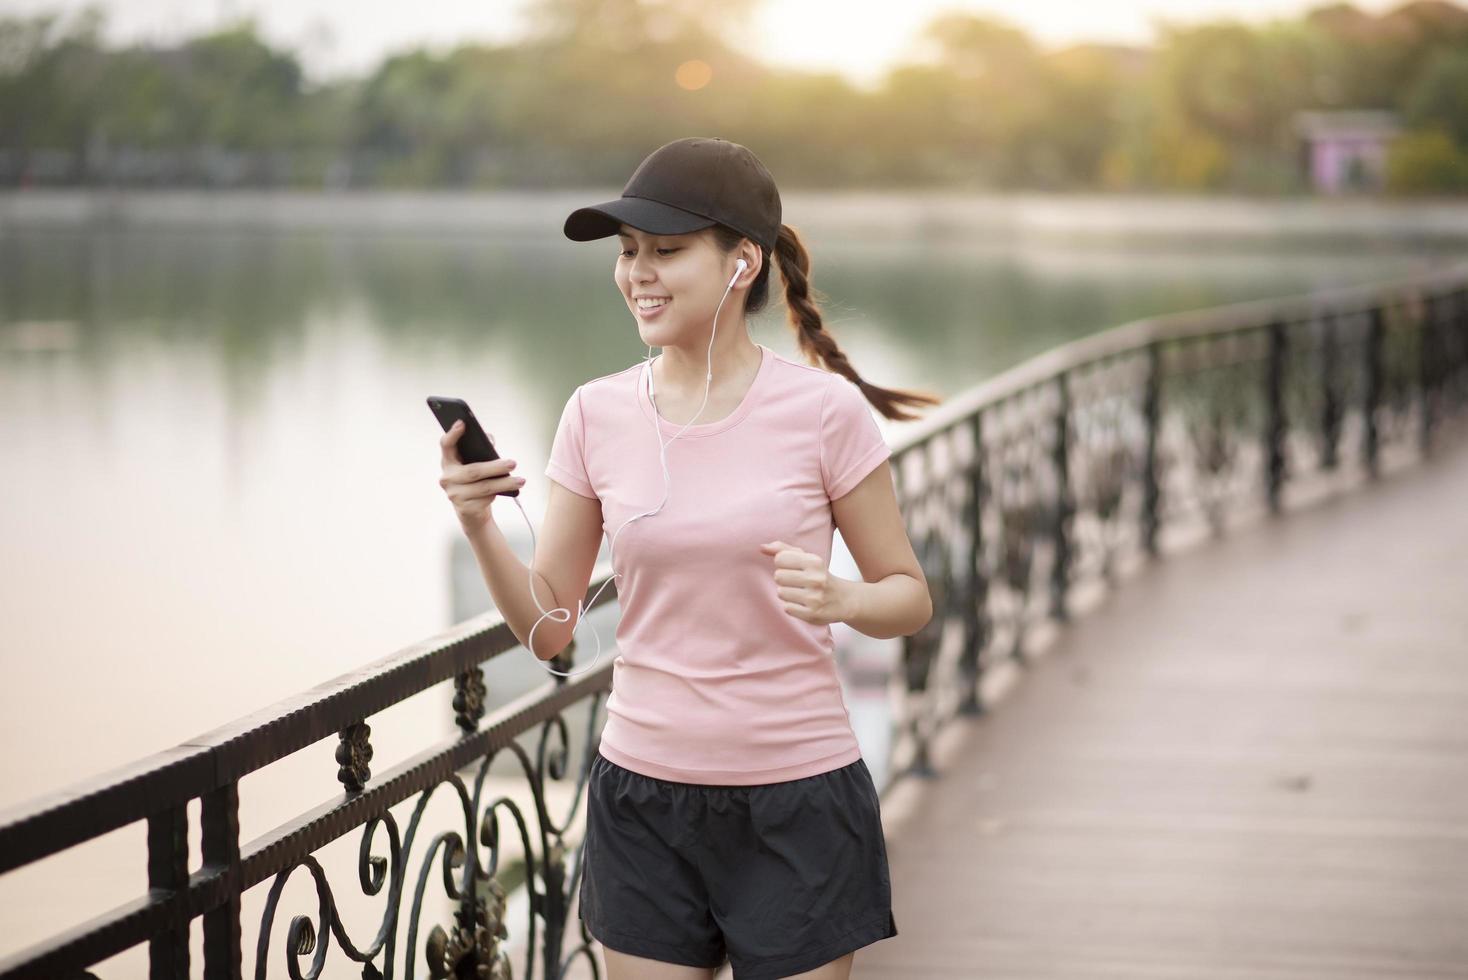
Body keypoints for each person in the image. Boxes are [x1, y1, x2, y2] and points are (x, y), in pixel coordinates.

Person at [438, 137, 939, 980]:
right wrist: (481, 525)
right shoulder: (595, 414)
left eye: (667, 252)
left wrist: (845, 600)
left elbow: (909, 597)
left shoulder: (824, 413)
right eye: (628, 252)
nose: (638, 273)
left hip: (798, 798)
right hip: (644, 798)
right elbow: (551, 630)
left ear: (742, 263)